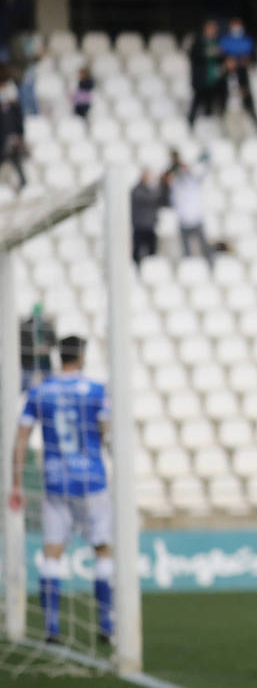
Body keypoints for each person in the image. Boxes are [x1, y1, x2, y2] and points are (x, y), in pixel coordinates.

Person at [9, 336, 115, 644]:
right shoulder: (96, 391)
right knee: (103, 549)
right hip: (91, 481)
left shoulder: (40, 391)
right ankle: (106, 624)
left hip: (55, 481)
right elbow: (107, 431)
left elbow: (21, 438)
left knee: (52, 552)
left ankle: (52, 627)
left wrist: (16, 482)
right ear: (81, 355)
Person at [166, 151, 214, 264]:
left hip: (196, 219)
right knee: (186, 252)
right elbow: (168, 175)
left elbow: (204, 171)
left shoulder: (193, 181)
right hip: (183, 220)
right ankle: (189, 270)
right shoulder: (175, 183)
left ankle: (211, 266)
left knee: (205, 247)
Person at [187, 19, 224, 123]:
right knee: (197, 101)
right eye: (210, 28)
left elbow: (223, 59)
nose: (212, 31)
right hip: (201, 79)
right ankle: (191, 122)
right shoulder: (199, 42)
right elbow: (194, 56)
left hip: (214, 79)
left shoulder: (218, 42)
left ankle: (209, 124)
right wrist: (208, 53)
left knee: (211, 103)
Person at [130, 170, 163, 266]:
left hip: (150, 226)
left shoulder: (150, 190)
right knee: (137, 252)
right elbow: (150, 199)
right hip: (140, 226)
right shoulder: (137, 190)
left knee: (152, 254)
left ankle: (150, 270)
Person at [19, 303, 55, 391]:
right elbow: (22, 342)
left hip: (44, 360)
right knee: (26, 384)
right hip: (28, 360)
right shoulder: (25, 326)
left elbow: (54, 341)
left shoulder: (47, 325)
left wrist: (46, 347)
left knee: (48, 384)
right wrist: (33, 349)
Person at [0, 74, 26, 190]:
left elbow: (19, 121)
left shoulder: (14, 105)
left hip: (12, 137)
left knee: (17, 161)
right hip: (2, 138)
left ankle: (23, 182)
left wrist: (20, 135)